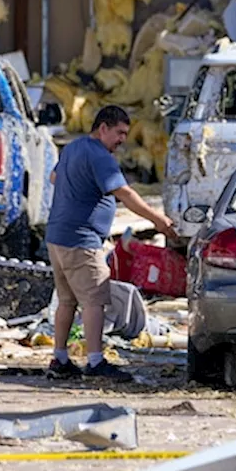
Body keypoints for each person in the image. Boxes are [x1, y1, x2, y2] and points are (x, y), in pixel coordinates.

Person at [44, 105, 177, 382]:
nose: (122, 140)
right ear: (102, 128)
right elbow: (125, 193)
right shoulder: (100, 156)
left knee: (66, 301)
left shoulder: (73, 147)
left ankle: (60, 358)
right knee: (95, 300)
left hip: (57, 236)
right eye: (119, 133)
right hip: (81, 240)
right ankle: (95, 361)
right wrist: (160, 220)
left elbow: (54, 177)